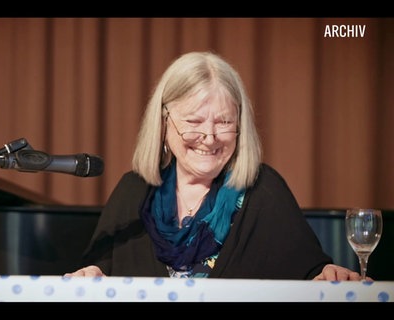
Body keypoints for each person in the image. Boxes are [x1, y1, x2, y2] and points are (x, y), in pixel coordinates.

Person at [65, 51, 361, 281]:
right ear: (164, 123)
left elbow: (311, 274)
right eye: (194, 122)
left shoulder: (264, 190)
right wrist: (90, 275)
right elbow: (97, 272)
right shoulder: (133, 190)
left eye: (224, 122)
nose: (209, 138)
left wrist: (328, 276)